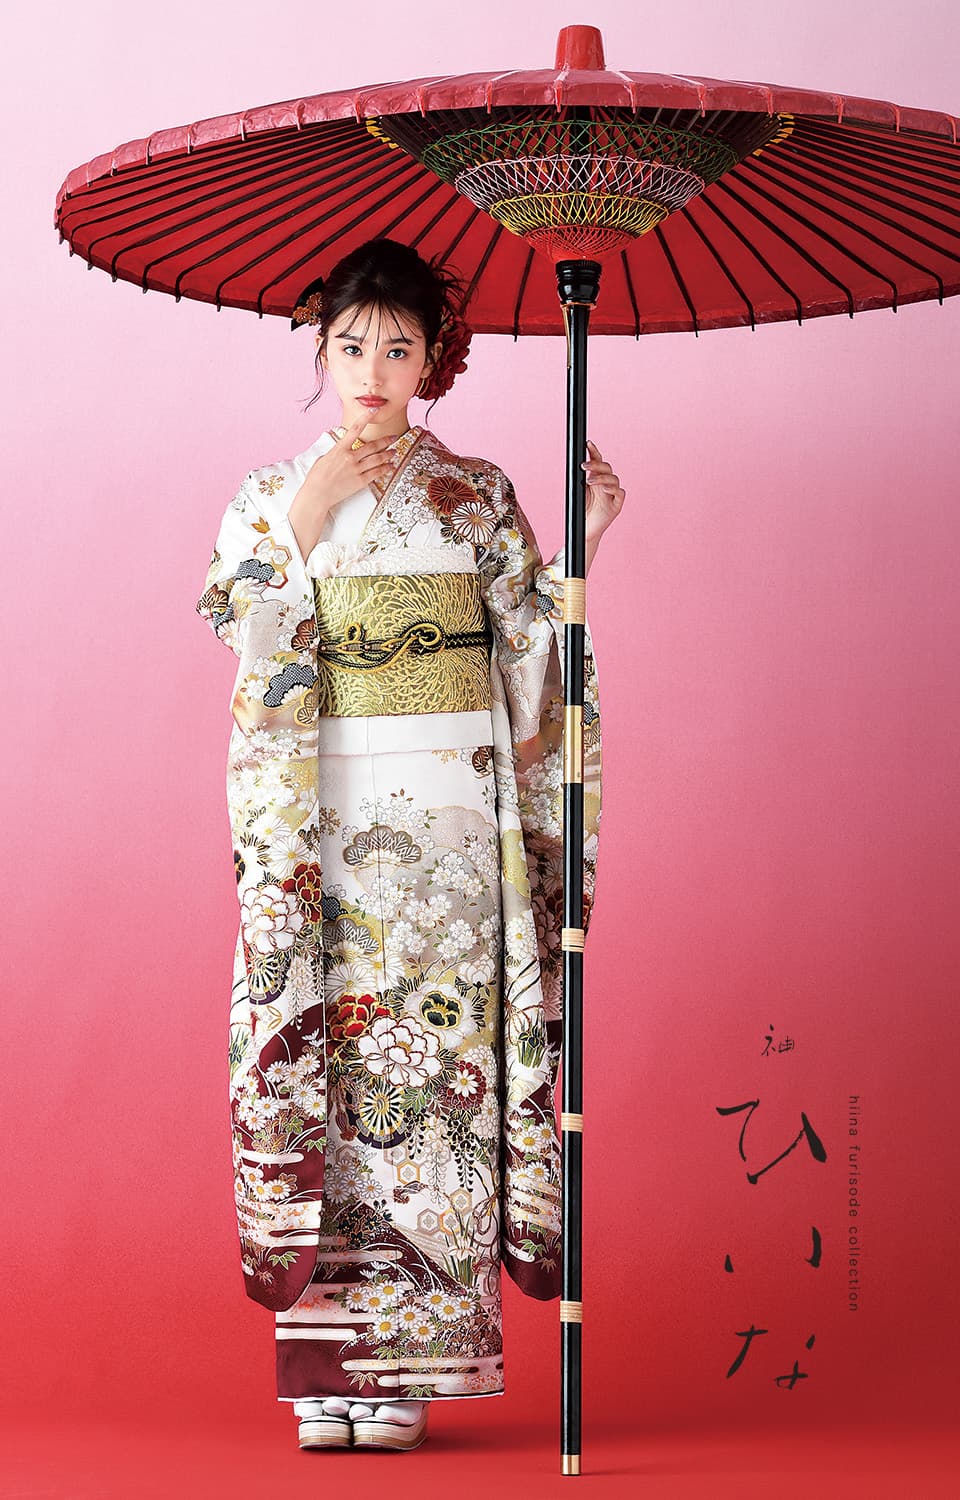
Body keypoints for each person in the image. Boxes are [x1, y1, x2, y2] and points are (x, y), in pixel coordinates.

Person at [195, 237, 625, 1453]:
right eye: (352, 345)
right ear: (320, 351)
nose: (373, 370)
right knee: (332, 1067)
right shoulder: (269, 492)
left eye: (399, 347)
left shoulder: (476, 494)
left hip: (448, 829)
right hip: (326, 818)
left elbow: (531, 652)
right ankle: (325, 1374)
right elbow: (239, 625)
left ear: (436, 360)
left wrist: (586, 539)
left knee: (437, 1076)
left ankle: (409, 1374)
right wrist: (302, 521)